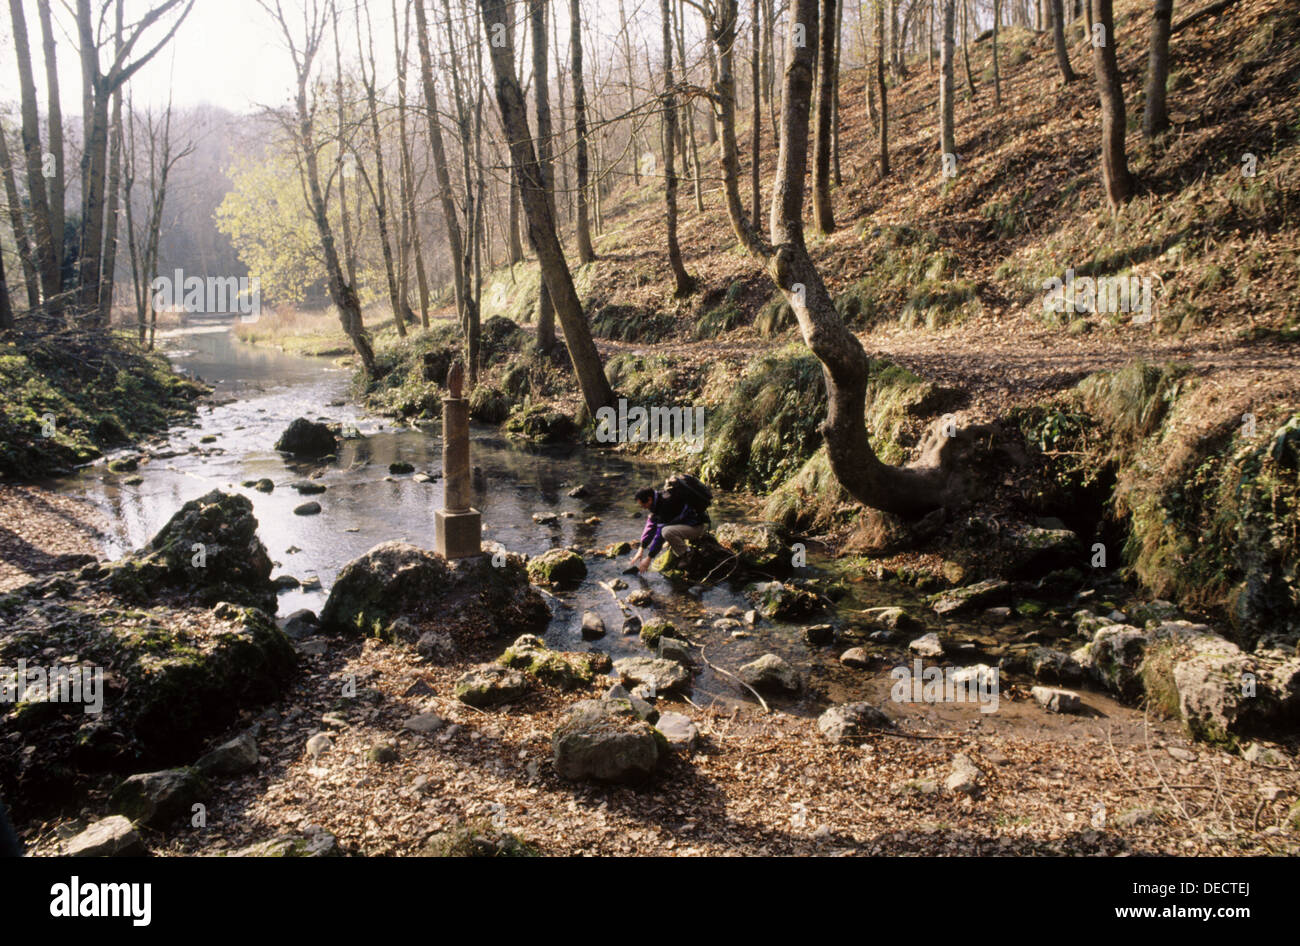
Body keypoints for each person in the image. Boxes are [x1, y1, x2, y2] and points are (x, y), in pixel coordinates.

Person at [628, 481, 709, 573]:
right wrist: (641, 548)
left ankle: (688, 556)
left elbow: (659, 536)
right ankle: (683, 552)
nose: (643, 508)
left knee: (666, 532)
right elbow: (650, 526)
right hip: (687, 525)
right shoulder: (657, 500)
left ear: (649, 499)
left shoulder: (665, 503)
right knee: (663, 529)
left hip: (696, 527)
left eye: (643, 505)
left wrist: (649, 558)